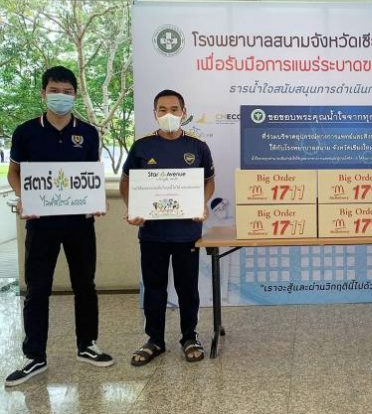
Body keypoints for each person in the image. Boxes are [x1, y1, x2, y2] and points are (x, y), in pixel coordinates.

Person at [5, 66, 113, 387]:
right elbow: (14, 173)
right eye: (55, 90)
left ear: (75, 95)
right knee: (37, 289)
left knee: (85, 285)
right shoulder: (26, 132)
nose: (61, 97)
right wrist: (25, 197)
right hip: (41, 224)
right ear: (44, 93)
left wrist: (95, 200)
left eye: (67, 92)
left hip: (80, 223)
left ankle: (87, 345)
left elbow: (92, 174)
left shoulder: (89, 133)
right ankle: (34, 356)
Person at [119, 89, 215, 366]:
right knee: (154, 289)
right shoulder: (142, 147)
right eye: (162, 110)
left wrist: (202, 203)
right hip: (152, 234)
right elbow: (126, 182)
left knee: (188, 289)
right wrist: (133, 208)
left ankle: (189, 337)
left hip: (187, 233)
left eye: (174, 109)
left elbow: (209, 182)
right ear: (155, 113)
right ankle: (154, 340)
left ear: (184, 112)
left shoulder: (198, 147)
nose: (168, 114)